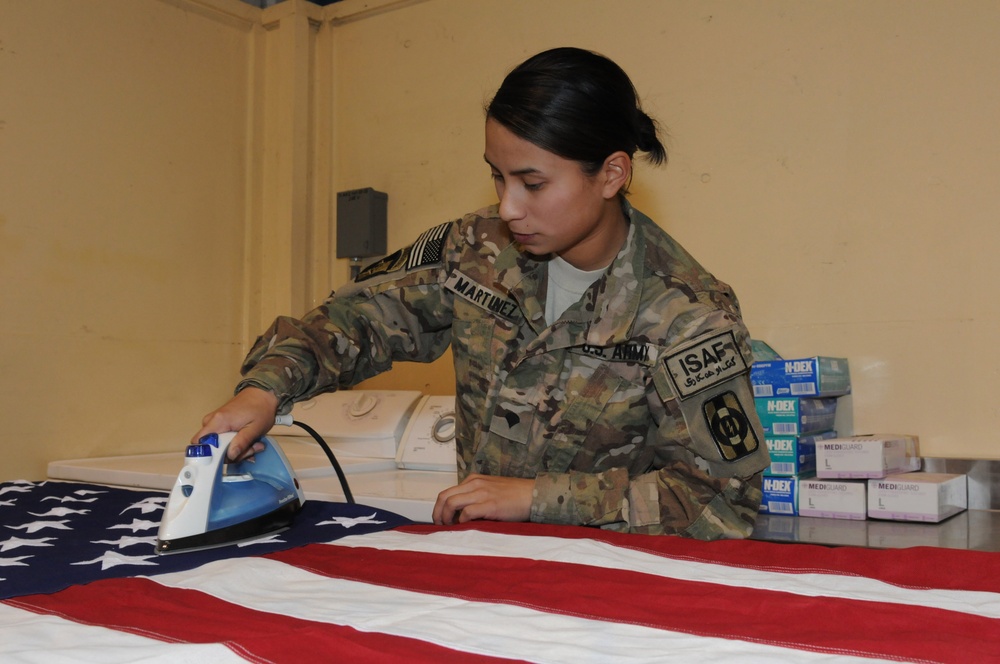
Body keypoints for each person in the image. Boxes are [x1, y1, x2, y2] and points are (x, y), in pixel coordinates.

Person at [193, 47, 770, 539]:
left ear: (612, 175)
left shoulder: (688, 314)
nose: (508, 206)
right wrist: (264, 390)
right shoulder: (474, 250)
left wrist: (535, 498)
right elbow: (353, 319)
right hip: (478, 564)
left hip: (606, 589)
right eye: (498, 175)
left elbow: (721, 501)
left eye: (533, 183)